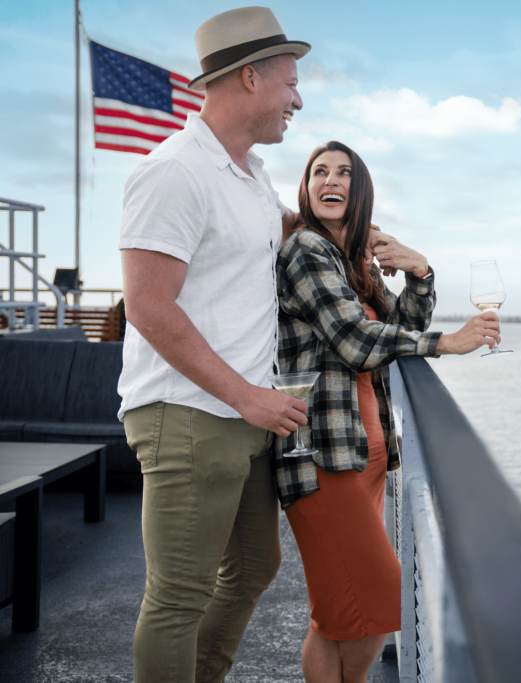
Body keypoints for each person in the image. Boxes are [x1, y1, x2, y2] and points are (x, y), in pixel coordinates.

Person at [117, 7, 311, 682]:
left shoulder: (250, 174)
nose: (298, 97)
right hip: (192, 412)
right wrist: (248, 397)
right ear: (251, 78)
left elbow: (284, 231)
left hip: (242, 412)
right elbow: (146, 305)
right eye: (290, 82)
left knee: (257, 566)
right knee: (177, 597)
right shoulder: (173, 171)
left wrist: (366, 236)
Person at [276, 141, 500, 683]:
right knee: (380, 604)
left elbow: (402, 326)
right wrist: (449, 344)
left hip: (367, 455)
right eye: (319, 172)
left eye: (344, 172)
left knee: (336, 616)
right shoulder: (304, 250)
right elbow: (357, 339)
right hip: (324, 459)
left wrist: (419, 273)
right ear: (306, 189)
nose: (331, 180)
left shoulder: (351, 261)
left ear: (361, 190)